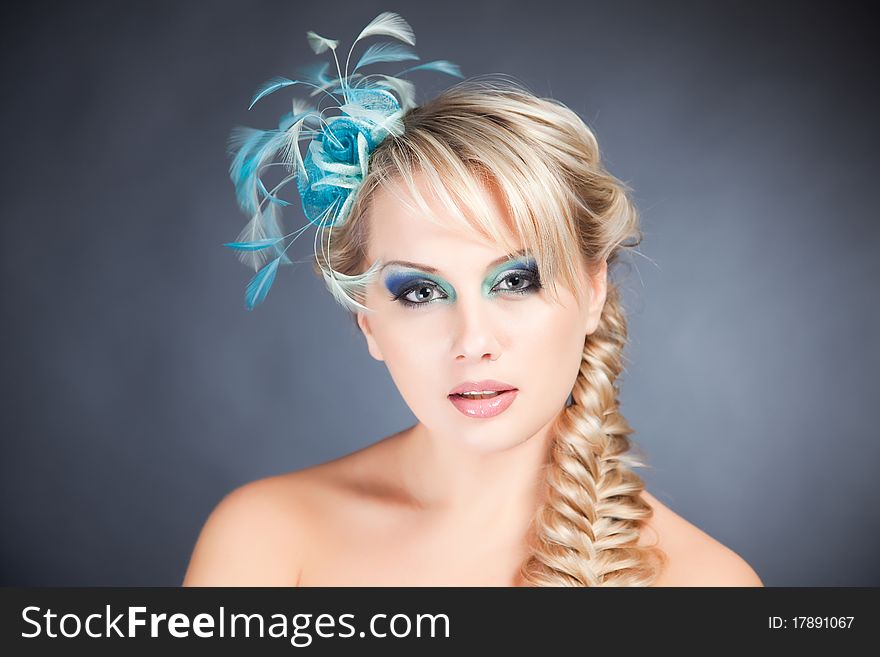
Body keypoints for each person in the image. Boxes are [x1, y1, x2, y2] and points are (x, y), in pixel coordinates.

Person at [183, 12, 763, 587]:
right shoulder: (268, 540)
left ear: (592, 291)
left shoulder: (707, 585)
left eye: (516, 281)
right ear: (367, 322)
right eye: (421, 291)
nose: (474, 342)